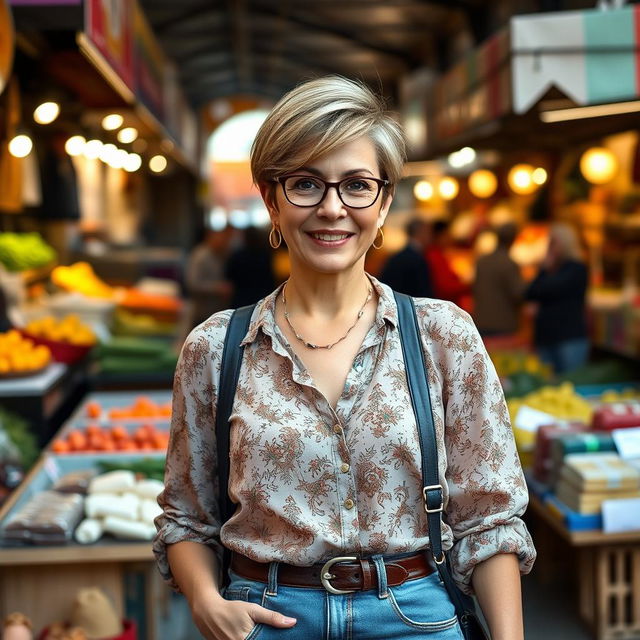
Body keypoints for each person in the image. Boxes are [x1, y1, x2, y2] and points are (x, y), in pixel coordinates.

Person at [154, 76, 535, 640]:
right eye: (306, 184)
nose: (332, 208)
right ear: (271, 201)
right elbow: (187, 518)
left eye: (357, 186)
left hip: (416, 616)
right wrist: (208, 601)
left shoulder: (442, 334)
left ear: (382, 203)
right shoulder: (215, 349)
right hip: (267, 618)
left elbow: (490, 519)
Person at [525, 222, 589, 374]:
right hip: (546, 337)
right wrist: (544, 270)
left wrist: (545, 270)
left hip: (568, 337)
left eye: (553, 242)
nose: (549, 247)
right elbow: (529, 292)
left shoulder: (577, 268)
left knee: (570, 384)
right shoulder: (551, 270)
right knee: (549, 386)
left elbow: (549, 289)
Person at [473, 222, 525, 338]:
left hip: (481, 320)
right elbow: (518, 293)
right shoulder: (509, 264)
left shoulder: (482, 261)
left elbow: (475, 288)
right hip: (503, 322)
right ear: (513, 240)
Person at [184, 227, 232, 328]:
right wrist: (217, 288)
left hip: (215, 311)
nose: (223, 242)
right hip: (201, 311)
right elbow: (193, 283)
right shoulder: (200, 256)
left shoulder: (221, 254)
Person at [224, 226, 277, 308]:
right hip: (263, 296)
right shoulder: (266, 255)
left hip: (241, 298)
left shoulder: (237, 256)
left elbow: (229, 278)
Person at [379, 218, 433, 297]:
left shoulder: (397, 256)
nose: (430, 237)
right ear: (421, 232)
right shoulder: (416, 259)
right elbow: (421, 290)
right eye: (428, 232)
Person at [424, 220, 471, 310]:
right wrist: (467, 286)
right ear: (441, 236)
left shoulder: (438, 254)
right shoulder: (434, 256)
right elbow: (445, 287)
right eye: (447, 235)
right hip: (442, 307)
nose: (450, 238)